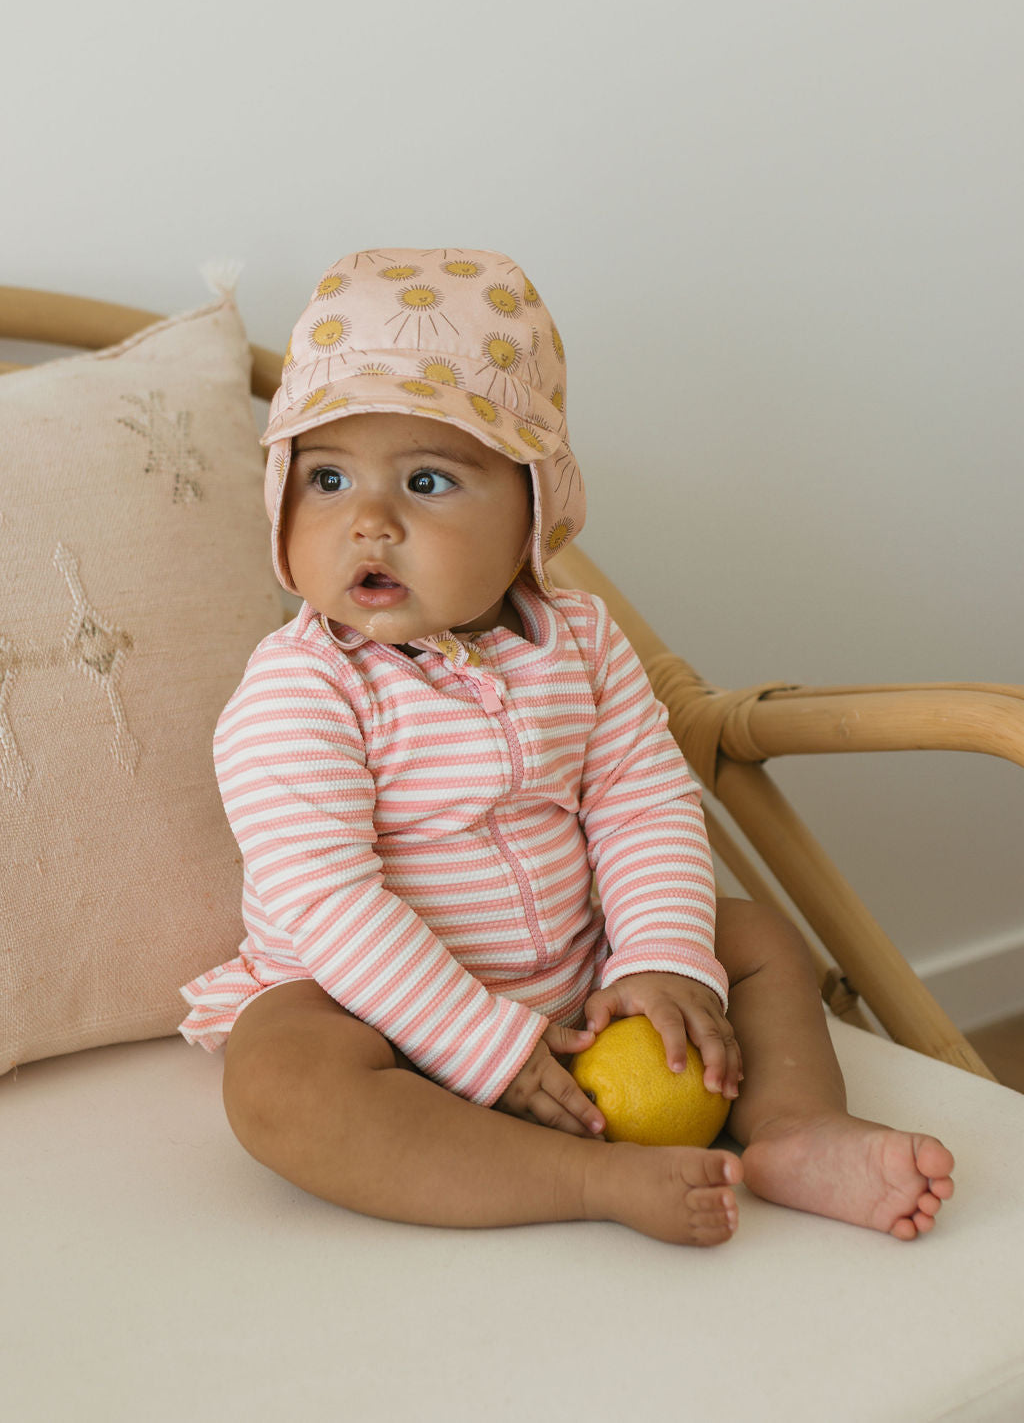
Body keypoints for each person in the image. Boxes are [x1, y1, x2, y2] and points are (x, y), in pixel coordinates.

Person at [179, 247, 955, 1246]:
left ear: (531, 517)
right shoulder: (300, 687)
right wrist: (478, 1044)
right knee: (279, 1076)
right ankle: (579, 1178)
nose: (368, 518)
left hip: (590, 975)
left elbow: (643, 800)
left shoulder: (579, 638)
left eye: (426, 479)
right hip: (376, 1011)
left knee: (755, 936)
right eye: (325, 477)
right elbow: (326, 898)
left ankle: (796, 1130)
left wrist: (664, 959)